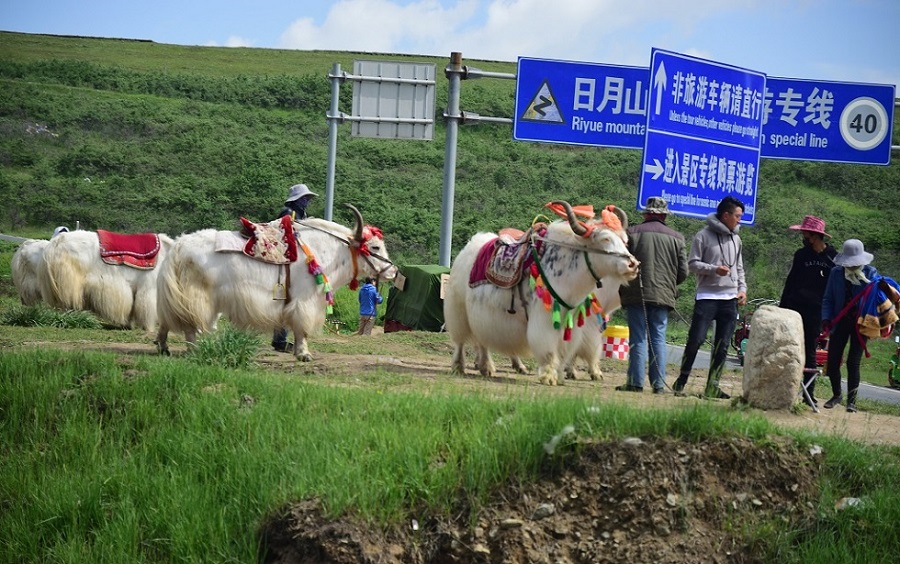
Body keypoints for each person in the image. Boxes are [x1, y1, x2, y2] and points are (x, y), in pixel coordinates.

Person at [673, 196, 747, 399]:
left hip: (730, 298)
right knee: (696, 339)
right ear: (726, 215)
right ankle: (682, 380)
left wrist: (742, 289)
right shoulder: (703, 235)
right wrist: (714, 270)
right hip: (707, 296)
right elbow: (692, 264)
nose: (740, 220)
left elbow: (739, 268)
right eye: (737, 216)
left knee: (723, 345)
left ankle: (712, 385)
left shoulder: (737, 239)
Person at [615, 197, 688, 394]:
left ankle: (635, 383)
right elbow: (683, 272)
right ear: (664, 215)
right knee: (658, 339)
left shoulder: (631, 233)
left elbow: (623, 264)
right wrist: (668, 285)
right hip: (663, 296)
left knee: (638, 338)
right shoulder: (677, 237)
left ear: (646, 214)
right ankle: (658, 385)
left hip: (635, 294)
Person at [778, 215, 837, 407]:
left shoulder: (832, 258)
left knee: (810, 351)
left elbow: (835, 288)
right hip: (795, 309)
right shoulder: (801, 255)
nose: (803, 236)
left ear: (815, 236)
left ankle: (808, 393)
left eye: (806, 233)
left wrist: (830, 314)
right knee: (790, 348)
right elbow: (791, 282)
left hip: (816, 312)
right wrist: (783, 309)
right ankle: (785, 389)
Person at [821, 239, 878, 413]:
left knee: (853, 362)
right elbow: (828, 298)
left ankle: (852, 401)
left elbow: (876, 300)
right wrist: (826, 318)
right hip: (840, 321)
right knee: (832, 360)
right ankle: (836, 394)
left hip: (861, 324)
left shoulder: (871, 273)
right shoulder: (836, 273)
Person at [272, 183, 318, 353]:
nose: (306, 201)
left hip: (294, 261)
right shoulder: (288, 213)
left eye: (307, 198)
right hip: (284, 261)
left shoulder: (301, 214)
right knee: (283, 298)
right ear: (296, 200)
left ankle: (280, 340)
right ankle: (280, 340)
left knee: (287, 300)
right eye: (304, 198)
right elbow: (283, 233)